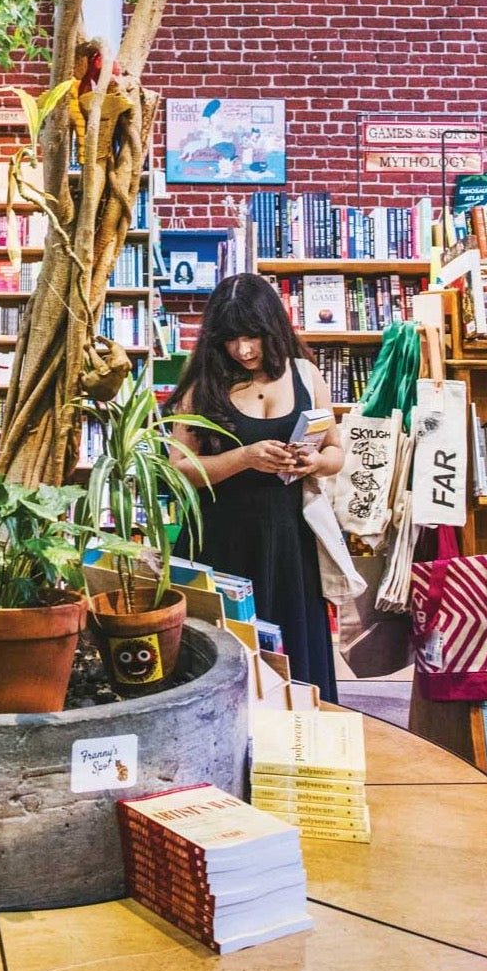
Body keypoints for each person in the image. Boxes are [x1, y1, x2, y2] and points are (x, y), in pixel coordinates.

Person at [168, 273, 344, 703]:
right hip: (220, 540)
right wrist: (244, 457)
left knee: (296, 655)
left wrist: (313, 462)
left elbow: (337, 452)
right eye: (230, 339)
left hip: (289, 541)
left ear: (273, 330)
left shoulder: (305, 375)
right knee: (223, 656)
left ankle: (299, 745)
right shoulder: (203, 386)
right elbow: (177, 470)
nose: (242, 350)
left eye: (252, 336)